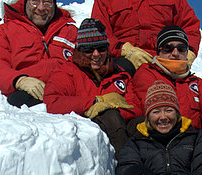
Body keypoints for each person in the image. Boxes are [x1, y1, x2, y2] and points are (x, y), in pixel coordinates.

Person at [0, 0, 77, 108]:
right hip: (27, 99)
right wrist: (19, 80)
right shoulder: (5, 31)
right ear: (26, 1)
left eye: (47, 3)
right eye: (35, 2)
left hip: (69, 95)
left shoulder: (71, 31)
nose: (41, 8)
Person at [44, 18, 138, 156]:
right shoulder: (67, 71)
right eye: (88, 50)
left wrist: (113, 108)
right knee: (111, 117)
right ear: (80, 50)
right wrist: (94, 102)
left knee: (140, 125)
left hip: (120, 126)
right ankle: (126, 170)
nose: (96, 54)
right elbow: (53, 102)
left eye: (101, 49)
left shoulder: (119, 74)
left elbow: (136, 106)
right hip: (87, 131)